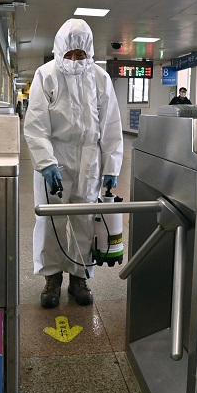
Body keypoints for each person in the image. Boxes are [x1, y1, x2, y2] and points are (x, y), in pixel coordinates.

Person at [23, 19, 123, 308]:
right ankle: (52, 278)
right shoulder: (46, 75)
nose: (75, 60)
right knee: (51, 220)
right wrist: (45, 162)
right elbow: (36, 124)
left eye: (81, 55)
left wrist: (110, 168)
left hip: (90, 158)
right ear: (59, 51)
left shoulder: (100, 78)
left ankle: (80, 276)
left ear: (89, 53)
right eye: (70, 54)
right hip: (56, 156)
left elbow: (111, 126)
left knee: (83, 221)